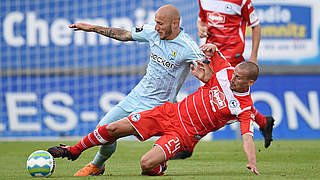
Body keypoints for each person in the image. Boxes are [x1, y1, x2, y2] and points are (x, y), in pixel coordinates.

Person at [48, 43, 271, 176]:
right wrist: (211, 49)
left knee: (146, 165)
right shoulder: (226, 72)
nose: (233, 79)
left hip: (184, 135)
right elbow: (216, 55)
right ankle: (74, 150)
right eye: (234, 74)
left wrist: (251, 161)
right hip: (169, 112)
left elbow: (247, 137)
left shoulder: (244, 108)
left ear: (250, 83)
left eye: (238, 78)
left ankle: (161, 164)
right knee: (113, 128)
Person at [67, 4, 205, 176]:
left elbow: (208, 70)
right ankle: (98, 166)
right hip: (136, 96)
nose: (156, 27)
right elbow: (124, 35)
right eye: (156, 22)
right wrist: (92, 28)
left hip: (159, 105)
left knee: (113, 130)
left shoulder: (188, 47)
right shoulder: (152, 33)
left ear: (175, 24)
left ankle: (169, 150)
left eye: (161, 23)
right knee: (102, 128)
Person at [174, 0, 275, 160]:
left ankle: (188, 144)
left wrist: (253, 56)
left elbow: (255, 25)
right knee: (213, 103)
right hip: (210, 54)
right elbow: (201, 19)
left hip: (230, 57)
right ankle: (263, 122)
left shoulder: (241, 2)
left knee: (216, 105)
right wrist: (200, 27)